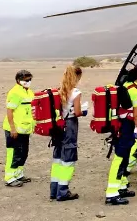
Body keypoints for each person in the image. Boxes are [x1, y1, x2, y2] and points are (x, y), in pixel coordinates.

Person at [104, 66, 137, 206]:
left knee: (125, 156)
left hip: (122, 126)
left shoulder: (126, 86)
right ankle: (112, 193)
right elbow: (136, 116)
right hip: (126, 127)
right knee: (120, 158)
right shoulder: (134, 91)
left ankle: (121, 186)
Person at [50, 65, 87, 201]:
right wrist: (84, 111)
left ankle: (54, 190)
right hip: (69, 126)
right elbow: (77, 112)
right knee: (68, 159)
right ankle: (63, 191)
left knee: (58, 159)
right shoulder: (75, 92)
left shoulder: (60, 91)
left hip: (58, 126)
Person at [3, 70, 35, 187]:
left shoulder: (29, 92)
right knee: (14, 153)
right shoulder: (15, 93)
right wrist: (12, 129)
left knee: (23, 152)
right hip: (14, 129)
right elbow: (10, 111)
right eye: (26, 80)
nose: (28, 82)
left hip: (25, 129)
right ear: (18, 80)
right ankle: (10, 177)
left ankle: (18, 174)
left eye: (30, 80)